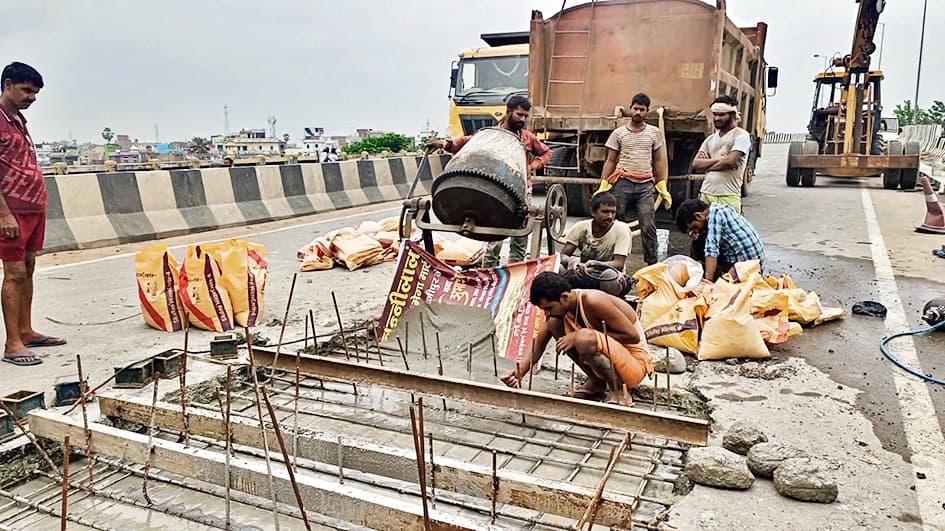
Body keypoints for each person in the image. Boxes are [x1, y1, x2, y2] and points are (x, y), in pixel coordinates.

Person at [427, 95, 552, 267]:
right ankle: (488, 272)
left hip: (520, 191)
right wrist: (444, 143)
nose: (522, 119)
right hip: (494, 188)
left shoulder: (526, 138)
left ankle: (513, 271)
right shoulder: (490, 134)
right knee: (494, 234)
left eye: (525, 116)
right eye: (519, 115)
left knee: (519, 238)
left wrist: (533, 165)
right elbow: (464, 142)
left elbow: (547, 153)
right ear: (508, 112)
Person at [501, 272, 652, 405]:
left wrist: (577, 337)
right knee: (554, 324)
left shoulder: (594, 301)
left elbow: (633, 337)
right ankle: (597, 382)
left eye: (549, 308)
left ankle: (618, 390)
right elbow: (538, 346)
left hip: (635, 364)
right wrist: (519, 372)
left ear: (564, 297)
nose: (547, 313)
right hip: (613, 360)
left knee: (584, 338)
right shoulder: (560, 312)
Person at [0, 62, 66, 366]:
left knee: (28, 267)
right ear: (8, 84)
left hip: (32, 207)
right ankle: (12, 343)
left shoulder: (18, 121)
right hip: (10, 210)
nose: (32, 97)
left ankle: (25, 331)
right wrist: (4, 214)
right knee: (13, 273)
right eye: (27, 90)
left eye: (35, 92)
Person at [600, 93, 670, 266]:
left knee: (648, 225)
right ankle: (614, 263)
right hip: (623, 182)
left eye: (642, 109)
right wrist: (604, 184)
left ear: (647, 111)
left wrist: (662, 186)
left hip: (645, 186)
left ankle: (652, 266)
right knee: (617, 224)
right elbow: (610, 160)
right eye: (635, 108)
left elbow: (659, 161)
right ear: (630, 108)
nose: (638, 112)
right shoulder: (619, 134)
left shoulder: (654, 133)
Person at [559, 192, 632, 297]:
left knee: (609, 275)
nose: (610, 216)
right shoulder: (581, 227)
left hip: (607, 276)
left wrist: (597, 264)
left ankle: (607, 309)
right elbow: (563, 255)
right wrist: (572, 262)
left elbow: (619, 264)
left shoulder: (622, 229)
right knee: (559, 269)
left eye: (613, 212)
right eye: (605, 212)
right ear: (593, 212)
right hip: (584, 273)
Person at [675, 198, 765, 281]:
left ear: (698, 216)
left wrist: (707, 283)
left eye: (694, 227)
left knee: (699, 270)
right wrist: (696, 238)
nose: (696, 231)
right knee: (700, 241)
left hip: (745, 266)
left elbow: (711, 252)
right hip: (754, 262)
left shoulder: (714, 217)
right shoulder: (718, 209)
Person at [691, 95, 752, 213]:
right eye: (715, 114)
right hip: (706, 194)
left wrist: (707, 166)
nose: (717, 118)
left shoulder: (741, 135)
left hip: (728, 196)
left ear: (733, 115)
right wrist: (719, 160)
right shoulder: (710, 139)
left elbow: (730, 162)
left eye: (721, 114)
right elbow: (696, 164)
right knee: (706, 231)